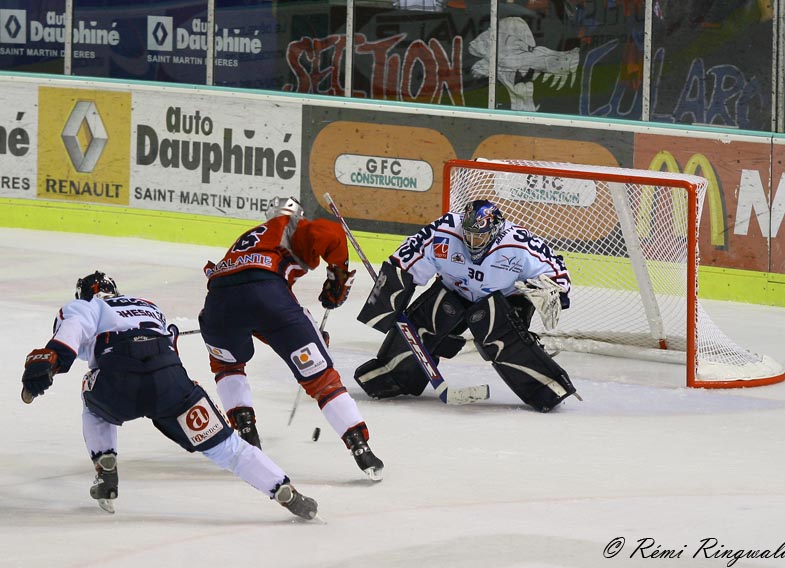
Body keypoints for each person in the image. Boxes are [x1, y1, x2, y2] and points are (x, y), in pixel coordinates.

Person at [21, 271, 318, 520]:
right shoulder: (147, 305)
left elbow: (75, 329)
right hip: (170, 380)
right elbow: (168, 342)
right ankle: (284, 490)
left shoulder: (85, 306)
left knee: (93, 400)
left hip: (117, 381)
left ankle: (105, 465)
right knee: (228, 447)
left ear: (84, 294)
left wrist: (53, 358)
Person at [199, 196, 384, 481]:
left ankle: (246, 433)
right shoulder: (287, 226)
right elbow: (331, 234)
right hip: (269, 297)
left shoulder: (247, 239)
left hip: (217, 306)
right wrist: (338, 274)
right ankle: (360, 446)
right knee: (321, 378)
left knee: (228, 367)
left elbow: (245, 297)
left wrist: (302, 331)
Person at [355, 199, 578, 413]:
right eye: (468, 235)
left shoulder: (518, 243)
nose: (472, 242)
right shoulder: (444, 230)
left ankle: (547, 387)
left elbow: (556, 271)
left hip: (505, 300)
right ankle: (392, 375)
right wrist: (391, 294)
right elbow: (406, 258)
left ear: (496, 231)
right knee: (426, 324)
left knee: (500, 339)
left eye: (479, 237)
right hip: (455, 290)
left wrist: (551, 291)